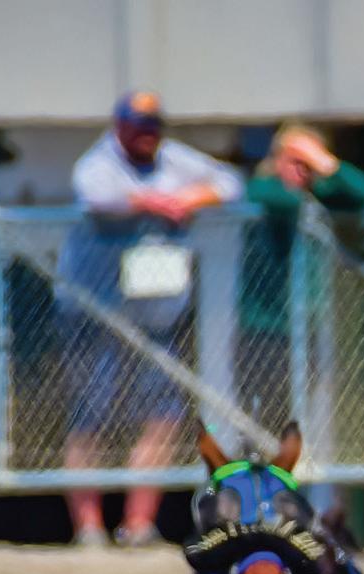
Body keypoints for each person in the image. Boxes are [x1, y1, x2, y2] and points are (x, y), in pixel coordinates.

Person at [58, 91, 243, 546]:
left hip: (156, 315)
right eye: (138, 125)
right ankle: (88, 528)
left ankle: (138, 525)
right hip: (95, 314)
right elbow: (99, 196)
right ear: (119, 125)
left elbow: (231, 183)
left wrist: (192, 198)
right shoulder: (97, 163)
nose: (147, 134)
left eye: (153, 125)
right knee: (90, 416)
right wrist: (155, 203)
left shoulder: (173, 157)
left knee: (162, 414)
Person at [238, 123, 364, 434]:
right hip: (265, 330)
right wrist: (314, 187)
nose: (302, 170)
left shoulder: (317, 195)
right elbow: (282, 200)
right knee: (264, 417)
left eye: (308, 163)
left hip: (312, 329)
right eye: (295, 161)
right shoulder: (263, 189)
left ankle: (302, 465)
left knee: (307, 416)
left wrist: (325, 163)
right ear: (277, 159)